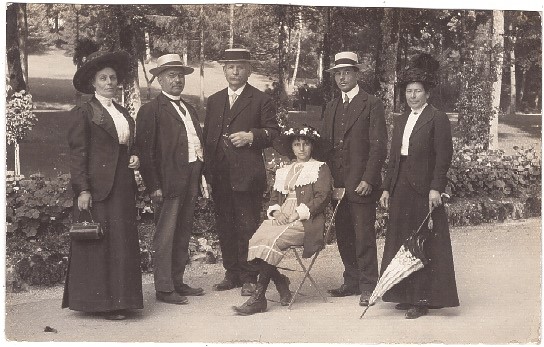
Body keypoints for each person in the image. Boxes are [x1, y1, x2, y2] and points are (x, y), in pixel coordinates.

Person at [62, 50, 143, 320]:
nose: (109, 82)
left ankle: (123, 300)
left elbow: (127, 143)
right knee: (100, 243)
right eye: (103, 78)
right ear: (93, 83)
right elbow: (78, 154)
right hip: (97, 187)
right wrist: (82, 189)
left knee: (121, 242)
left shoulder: (120, 111)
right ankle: (103, 304)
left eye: (113, 78)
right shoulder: (84, 112)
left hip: (121, 183)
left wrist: (134, 156)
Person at [379, 53, 459, 319]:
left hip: (424, 188)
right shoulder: (402, 119)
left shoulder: (437, 118)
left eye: (418, 91)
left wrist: (436, 187)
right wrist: (387, 188)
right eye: (409, 91)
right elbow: (394, 156)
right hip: (401, 184)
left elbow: (443, 157)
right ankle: (404, 293)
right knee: (401, 238)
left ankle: (422, 298)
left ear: (427, 94)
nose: (412, 96)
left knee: (423, 242)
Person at [233, 125, 333, 315]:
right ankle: (280, 281)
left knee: (272, 241)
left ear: (312, 146)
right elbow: (274, 199)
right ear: (292, 148)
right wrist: (277, 213)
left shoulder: (320, 167)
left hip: (306, 220)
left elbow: (322, 197)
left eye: (305, 144)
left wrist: (298, 213)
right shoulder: (284, 170)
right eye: (297, 145)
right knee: (256, 240)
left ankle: (258, 298)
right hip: (283, 216)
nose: (301, 149)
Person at [203, 48, 280, 296]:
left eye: (240, 67)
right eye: (230, 67)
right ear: (224, 70)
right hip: (220, 175)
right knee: (225, 225)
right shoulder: (214, 100)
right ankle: (232, 273)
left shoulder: (260, 100)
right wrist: (206, 173)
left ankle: (249, 276)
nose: (235, 72)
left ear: (249, 70)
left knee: (247, 227)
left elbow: (274, 134)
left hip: (247, 175)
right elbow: (208, 140)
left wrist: (251, 136)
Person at [136, 54, 205, 305]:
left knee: (183, 231)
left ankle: (177, 281)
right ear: (160, 80)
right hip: (167, 181)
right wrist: (154, 185)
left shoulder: (189, 108)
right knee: (165, 234)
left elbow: (196, 142)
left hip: (190, 177)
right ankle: (164, 288)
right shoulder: (151, 110)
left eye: (179, 75)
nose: (177, 80)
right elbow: (145, 152)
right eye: (170, 76)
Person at [320, 51, 387, 306]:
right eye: (338, 73)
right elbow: (325, 145)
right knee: (344, 233)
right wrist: (328, 181)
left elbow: (378, 146)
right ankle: (351, 280)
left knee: (364, 235)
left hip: (361, 184)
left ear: (357, 74)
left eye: (347, 72)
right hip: (338, 184)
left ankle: (369, 285)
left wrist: (369, 179)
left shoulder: (371, 104)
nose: (342, 77)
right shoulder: (332, 106)